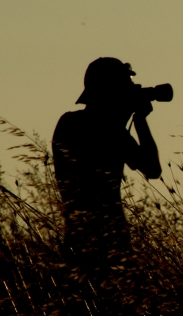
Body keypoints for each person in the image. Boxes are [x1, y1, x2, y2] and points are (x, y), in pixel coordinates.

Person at [53, 57, 162, 273]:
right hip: (111, 237)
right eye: (125, 86)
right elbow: (152, 169)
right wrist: (139, 119)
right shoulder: (109, 129)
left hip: (77, 234)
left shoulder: (69, 122)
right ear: (111, 91)